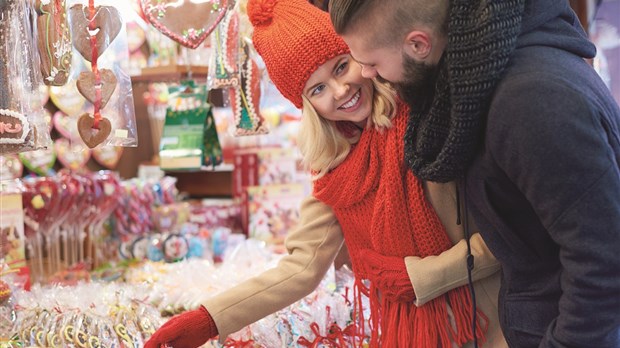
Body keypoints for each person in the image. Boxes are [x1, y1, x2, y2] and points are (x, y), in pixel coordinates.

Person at [145, 0, 506, 347]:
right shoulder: (336, 168)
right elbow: (302, 267)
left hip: (495, 323)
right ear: (306, 106)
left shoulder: (426, 117)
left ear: (359, 54)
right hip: (413, 335)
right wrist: (209, 319)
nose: (341, 90)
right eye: (317, 89)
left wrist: (423, 277)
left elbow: (511, 233)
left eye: (340, 66)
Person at [328, 0, 620, 347]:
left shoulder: (533, 103)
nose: (366, 75)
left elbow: (602, 261)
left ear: (418, 45)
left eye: (371, 62)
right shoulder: (475, 80)